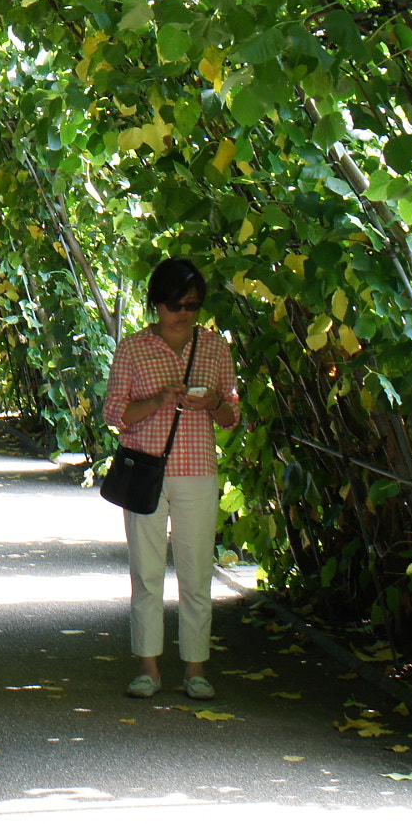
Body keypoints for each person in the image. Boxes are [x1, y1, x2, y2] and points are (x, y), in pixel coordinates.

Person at [103, 257, 241, 702]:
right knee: (146, 572)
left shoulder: (215, 348)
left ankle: (196, 668)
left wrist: (214, 401)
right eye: (175, 304)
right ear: (157, 304)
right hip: (146, 469)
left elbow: (231, 416)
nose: (183, 313)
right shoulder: (133, 349)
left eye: (193, 304)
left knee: (197, 573)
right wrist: (160, 400)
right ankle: (148, 668)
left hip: (197, 470)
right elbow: (117, 416)